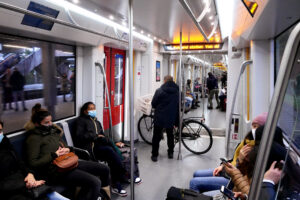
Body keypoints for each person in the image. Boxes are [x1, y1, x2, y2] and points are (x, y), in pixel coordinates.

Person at [25, 110, 111, 200]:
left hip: (68, 162)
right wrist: (54, 155)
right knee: (95, 182)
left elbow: (65, 146)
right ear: (37, 124)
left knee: (104, 169)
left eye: (51, 121)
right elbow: (33, 163)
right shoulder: (33, 139)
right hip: (55, 171)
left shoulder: (53, 132)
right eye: (47, 122)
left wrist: (68, 149)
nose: (50, 124)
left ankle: (103, 195)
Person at [189, 112, 268, 195]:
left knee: (194, 183)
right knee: (196, 173)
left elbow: (242, 173)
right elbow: (234, 159)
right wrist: (223, 166)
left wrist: (239, 160)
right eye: (253, 126)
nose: (253, 129)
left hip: (233, 180)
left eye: (256, 127)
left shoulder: (254, 150)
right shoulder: (247, 140)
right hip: (230, 171)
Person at [76, 102, 141, 197]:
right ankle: (124, 175)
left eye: (94, 108)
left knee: (112, 154)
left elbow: (103, 135)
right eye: (90, 108)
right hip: (91, 148)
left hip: (100, 144)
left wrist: (114, 142)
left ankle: (117, 181)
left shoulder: (97, 122)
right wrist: (95, 136)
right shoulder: (80, 121)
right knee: (110, 151)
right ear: (85, 111)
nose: (93, 110)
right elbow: (79, 136)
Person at [0, 121, 69, 200]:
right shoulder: (34, 138)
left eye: (0, 131)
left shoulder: (5, 143)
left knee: (48, 193)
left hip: (22, 181)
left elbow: (20, 163)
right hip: (10, 190)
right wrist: (26, 184)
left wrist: (30, 175)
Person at [151, 75, 179, 162]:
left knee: (156, 136)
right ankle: (170, 153)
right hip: (171, 117)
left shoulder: (159, 91)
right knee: (170, 135)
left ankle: (155, 155)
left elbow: (153, 104)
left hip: (160, 117)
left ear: (165, 81)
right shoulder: (177, 92)